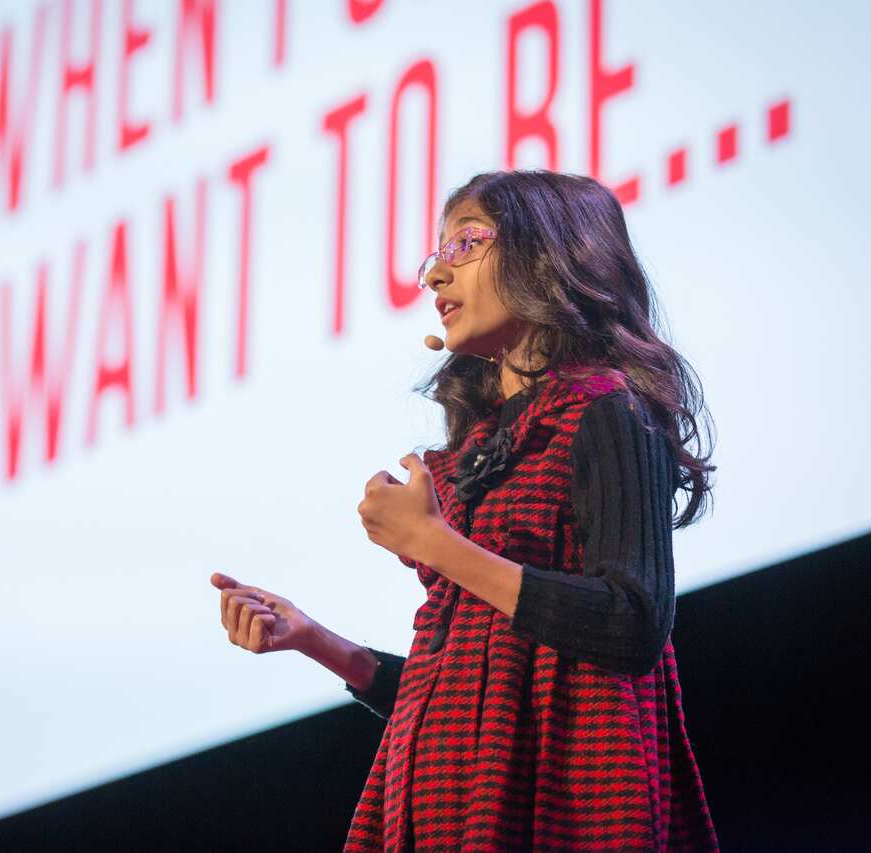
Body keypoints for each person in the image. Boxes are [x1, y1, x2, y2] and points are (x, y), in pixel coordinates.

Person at [209, 169, 720, 851]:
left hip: (560, 812)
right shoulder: (470, 457)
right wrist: (314, 639)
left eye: (466, 244)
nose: (434, 276)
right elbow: (463, 688)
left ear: (551, 253)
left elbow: (633, 623)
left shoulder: (605, 410)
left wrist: (436, 543)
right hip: (449, 813)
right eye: (436, 254)